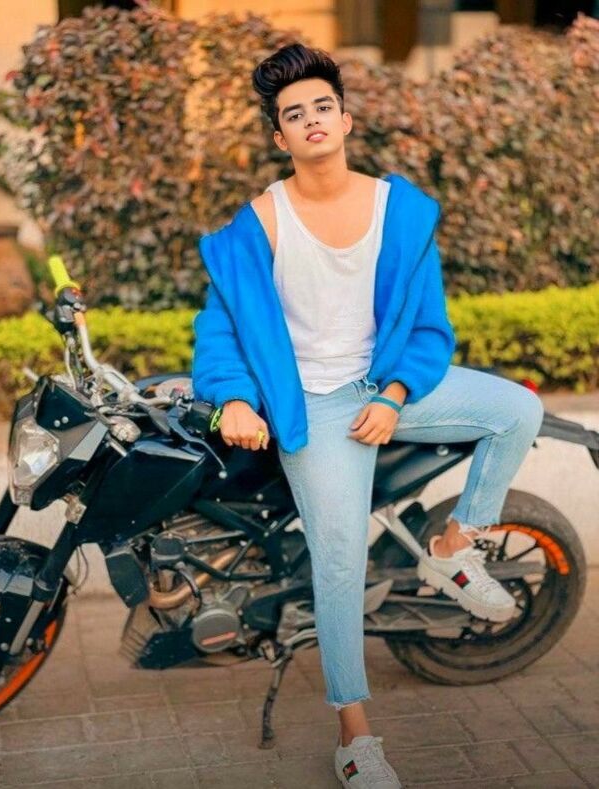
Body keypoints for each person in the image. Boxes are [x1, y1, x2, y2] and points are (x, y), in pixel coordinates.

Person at [191, 42, 544, 789]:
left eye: (323, 106)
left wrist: (393, 396)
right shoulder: (259, 224)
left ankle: (454, 544)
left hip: (387, 387)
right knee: (340, 560)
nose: (312, 120)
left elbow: (429, 329)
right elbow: (220, 326)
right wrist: (235, 398)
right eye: (295, 114)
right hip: (314, 407)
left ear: (346, 119)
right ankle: (355, 737)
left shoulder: (400, 212)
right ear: (279, 136)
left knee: (518, 408)